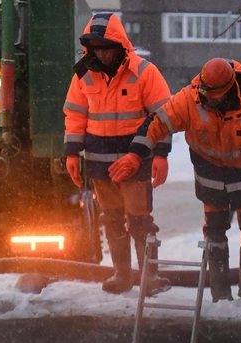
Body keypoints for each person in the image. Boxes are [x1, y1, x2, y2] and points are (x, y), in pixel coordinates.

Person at [108, 58, 241, 303]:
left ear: (229, 88)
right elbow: (156, 124)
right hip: (210, 177)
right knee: (215, 235)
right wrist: (136, 154)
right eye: (206, 93)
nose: (209, 99)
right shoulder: (189, 99)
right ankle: (220, 295)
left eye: (215, 95)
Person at [63, 13, 172, 296]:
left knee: (140, 220)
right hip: (99, 164)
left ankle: (150, 277)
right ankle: (122, 274)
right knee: (111, 219)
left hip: (135, 162)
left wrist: (160, 154)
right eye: (96, 47)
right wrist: (72, 153)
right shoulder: (83, 74)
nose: (102, 53)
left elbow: (163, 116)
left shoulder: (145, 72)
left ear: (120, 44)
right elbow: (75, 115)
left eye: (107, 46)